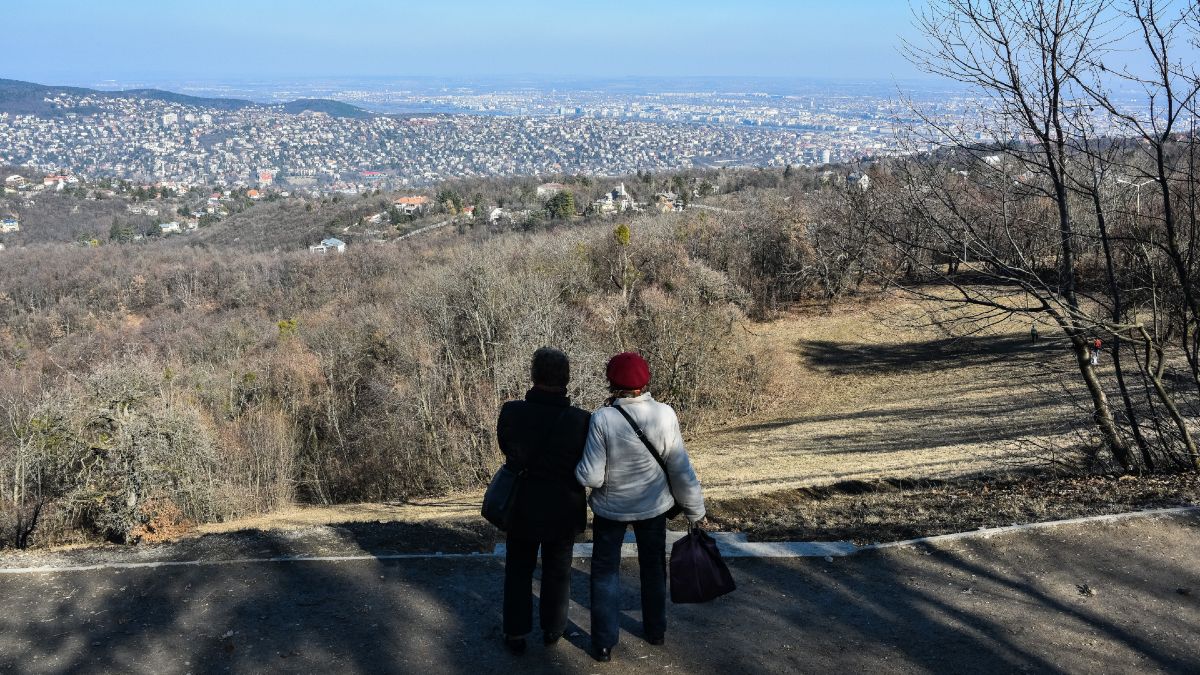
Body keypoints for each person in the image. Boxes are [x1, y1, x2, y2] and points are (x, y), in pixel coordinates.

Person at [575, 351, 705, 663]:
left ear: (612, 383)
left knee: (605, 573)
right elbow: (679, 468)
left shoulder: (602, 419)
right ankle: (655, 630)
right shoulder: (665, 414)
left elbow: (590, 475)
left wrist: (578, 472)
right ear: (644, 382)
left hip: (610, 510)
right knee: (653, 568)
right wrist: (695, 509)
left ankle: (604, 644)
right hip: (653, 508)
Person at [495, 347, 591, 655]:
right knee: (558, 569)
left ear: (534, 376)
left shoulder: (511, 412)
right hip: (564, 505)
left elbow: (506, 449)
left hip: (521, 504)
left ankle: (515, 632)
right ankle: (554, 628)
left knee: (518, 569)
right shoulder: (581, 420)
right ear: (566, 378)